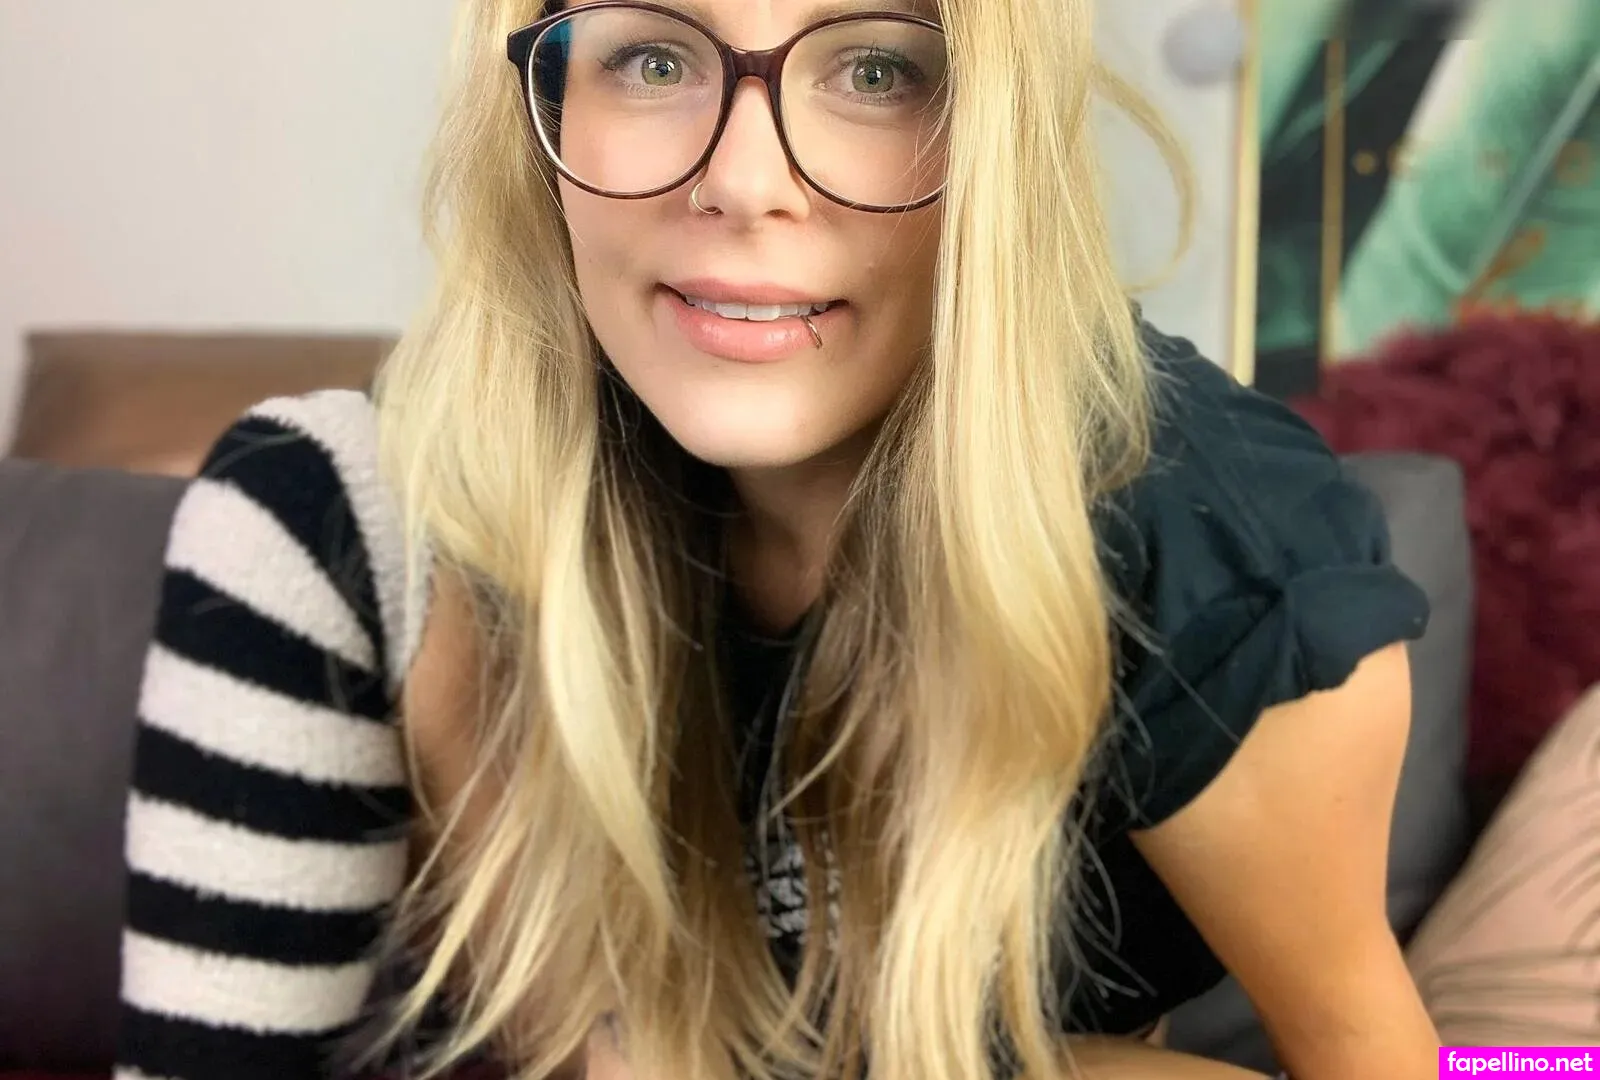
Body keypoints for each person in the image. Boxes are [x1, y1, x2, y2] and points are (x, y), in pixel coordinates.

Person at [111, 1, 1443, 1078]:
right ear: (537, 102)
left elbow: (1404, 1058)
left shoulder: (1216, 556)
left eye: (876, 68)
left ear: (1001, 122)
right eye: (651, 56)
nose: (744, 184)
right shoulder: (359, 520)